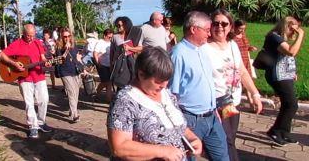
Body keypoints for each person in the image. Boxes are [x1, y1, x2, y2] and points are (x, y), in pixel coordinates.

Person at [107, 47, 203, 161]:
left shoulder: (166, 94)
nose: (164, 85)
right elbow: (119, 147)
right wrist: (162, 151)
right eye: (158, 81)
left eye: (166, 80)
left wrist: (191, 138)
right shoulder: (125, 100)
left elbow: (176, 125)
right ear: (141, 74)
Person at [168, 11, 229, 161]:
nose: (209, 34)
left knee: (223, 157)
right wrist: (178, 123)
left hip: (211, 117)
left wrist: (214, 110)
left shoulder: (202, 50)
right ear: (194, 29)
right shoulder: (178, 54)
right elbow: (170, 93)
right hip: (190, 119)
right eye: (207, 30)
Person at [205, 9, 263, 161]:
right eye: (216, 23)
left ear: (230, 26)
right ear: (210, 26)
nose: (220, 27)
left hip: (233, 102)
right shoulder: (204, 48)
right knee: (227, 141)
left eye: (224, 23)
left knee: (230, 139)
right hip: (216, 104)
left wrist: (255, 94)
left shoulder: (232, 45)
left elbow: (242, 72)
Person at [0, 24, 53, 139]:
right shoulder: (17, 44)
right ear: (23, 33)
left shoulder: (38, 42)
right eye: (28, 36)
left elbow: (42, 57)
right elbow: (2, 55)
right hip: (25, 78)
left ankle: (41, 122)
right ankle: (33, 126)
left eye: (33, 35)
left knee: (44, 100)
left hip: (39, 76)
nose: (31, 38)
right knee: (29, 104)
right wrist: (14, 64)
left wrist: (46, 62)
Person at [262, 17, 305, 146]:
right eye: (293, 29)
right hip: (277, 76)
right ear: (286, 26)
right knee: (291, 104)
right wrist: (301, 35)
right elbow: (291, 52)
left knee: (289, 104)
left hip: (285, 75)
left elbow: (287, 58)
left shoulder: (280, 38)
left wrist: (292, 72)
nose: (294, 32)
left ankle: (284, 132)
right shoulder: (274, 37)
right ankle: (275, 131)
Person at [55, 28, 83, 123]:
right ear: (61, 37)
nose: (67, 38)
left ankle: (72, 110)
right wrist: (66, 50)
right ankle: (75, 115)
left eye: (68, 36)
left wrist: (82, 68)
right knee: (71, 93)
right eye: (65, 36)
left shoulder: (74, 46)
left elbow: (76, 59)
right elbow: (59, 60)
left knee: (76, 92)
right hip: (65, 72)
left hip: (75, 71)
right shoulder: (59, 47)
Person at [110, 16, 142, 89]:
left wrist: (129, 48)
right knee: (120, 83)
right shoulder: (115, 37)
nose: (118, 27)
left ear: (126, 25)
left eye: (120, 25)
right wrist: (111, 64)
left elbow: (140, 48)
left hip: (131, 62)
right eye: (117, 25)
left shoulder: (134, 36)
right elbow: (112, 51)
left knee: (132, 82)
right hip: (119, 64)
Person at [233, 19, 258, 105]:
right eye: (240, 28)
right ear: (235, 27)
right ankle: (249, 103)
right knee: (239, 82)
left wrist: (250, 48)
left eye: (244, 28)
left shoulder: (243, 35)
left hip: (246, 59)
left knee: (248, 81)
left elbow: (246, 46)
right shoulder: (232, 37)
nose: (242, 30)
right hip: (238, 61)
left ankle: (252, 103)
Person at [93, 28, 114, 102]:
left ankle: (108, 99)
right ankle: (99, 94)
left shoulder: (112, 43)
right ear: (104, 36)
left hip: (110, 65)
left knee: (109, 82)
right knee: (106, 82)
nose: (110, 38)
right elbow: (95, 53)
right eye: (109, 37)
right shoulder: (100, 42)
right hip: (102, 65)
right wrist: (98, 63)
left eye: (111, 37)